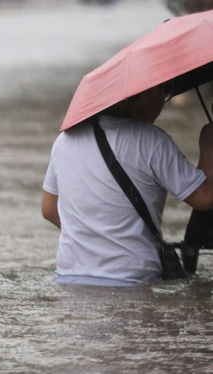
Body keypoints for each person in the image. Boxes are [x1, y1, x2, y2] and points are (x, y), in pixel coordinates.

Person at [42, 83, 213, 286]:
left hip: (69, 278)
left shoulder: (64, 140)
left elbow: (49, 210)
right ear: (148, 95)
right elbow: (204, 198)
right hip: (132, 280)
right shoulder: (152, 141)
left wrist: (96, 236)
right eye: (163, 95)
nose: (161, 104)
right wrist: (208, 146)